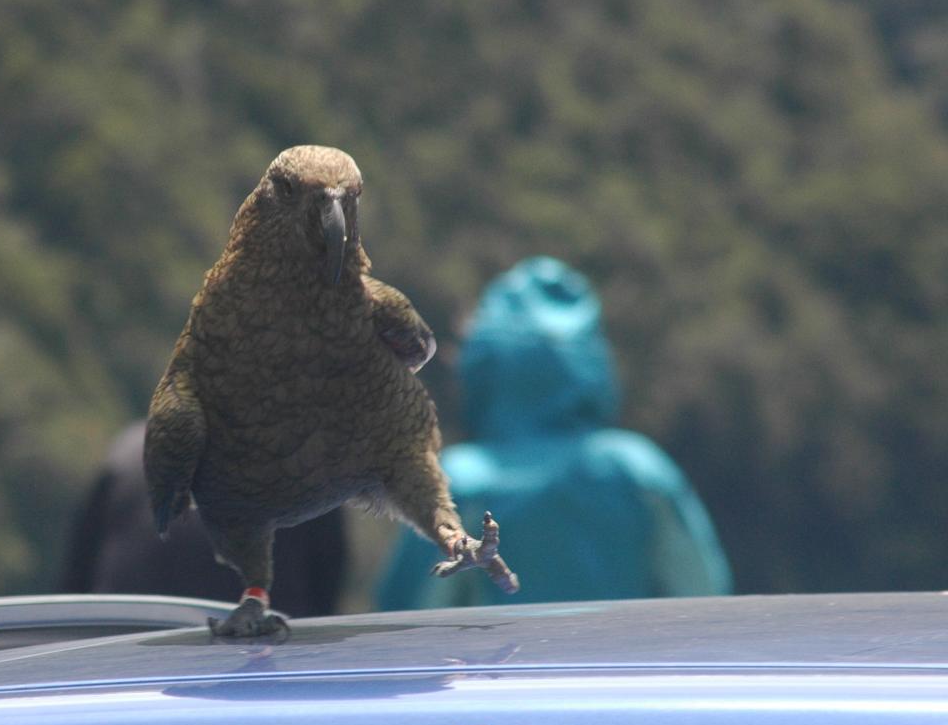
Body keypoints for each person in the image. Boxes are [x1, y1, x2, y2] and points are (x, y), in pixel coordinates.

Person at [377, 256, 732, 609]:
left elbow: (403, 628)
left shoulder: (459, 483)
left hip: (498, 666)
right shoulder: (637, 472)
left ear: (484, 363)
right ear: (591, 361)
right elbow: (707, 602)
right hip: (625, 666)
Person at [62, 420, 347, 616]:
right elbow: (322, 608)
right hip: (258, 677)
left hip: (118, 671)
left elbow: (74, 592)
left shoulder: (127, 454)